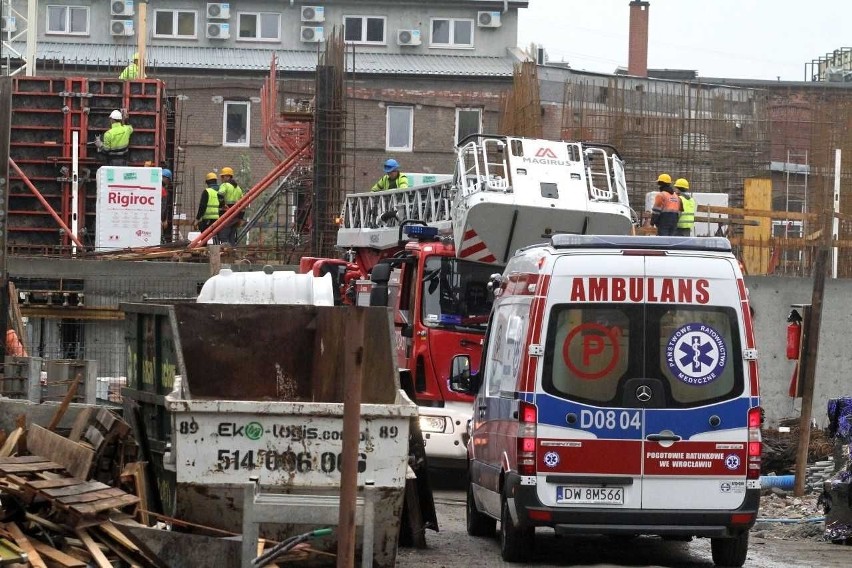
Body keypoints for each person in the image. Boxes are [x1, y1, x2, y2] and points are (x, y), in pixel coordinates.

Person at [217, 167, 244, 246]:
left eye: (222, 176)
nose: (221, 178)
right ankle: (232, 254)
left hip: (225, 215)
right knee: (232, 237)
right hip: (235, 216)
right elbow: (243, 204)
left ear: (228, 176)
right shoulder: (238, 188)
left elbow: (220, 195)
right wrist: (241, 217)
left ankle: (225, 255)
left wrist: (223, 205)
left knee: (223, 236)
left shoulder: (225, 185)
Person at [193, 173, 221, 243]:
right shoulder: (221, 191)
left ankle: (203, 251)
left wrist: (197, 219)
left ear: (207, 182)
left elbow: (202, 206)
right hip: (218, 219)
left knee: (204, 238)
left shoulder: (207, 191)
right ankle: (217, 252)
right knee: (216, 237)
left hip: (207, 220)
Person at [160, 169, 174, 243]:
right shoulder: (163, 190)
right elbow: (163, 206)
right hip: (159, 219)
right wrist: (164, 219)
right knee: (160, 238)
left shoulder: (155, 187)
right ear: (165, 178)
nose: (168, 182)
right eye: (168, 180)